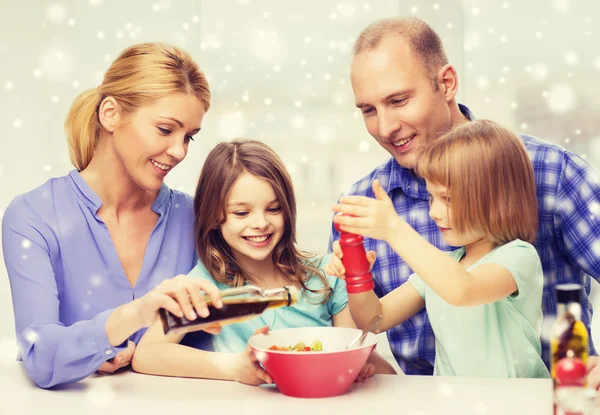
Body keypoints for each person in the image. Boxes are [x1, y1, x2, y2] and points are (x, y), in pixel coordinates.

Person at [329, 16, 600, 379]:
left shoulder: (551, 174)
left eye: (399, 100)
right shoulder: (366, 206)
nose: (385, 127)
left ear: (447, 83)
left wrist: (394, 229)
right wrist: (355, 271)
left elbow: (462, 290)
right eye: (368, 110)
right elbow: (368, 323)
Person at [1, 42, 223, 388]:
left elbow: (227, 330)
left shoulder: (195, 217)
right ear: (111, 114)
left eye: (189, 137)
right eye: (165, 130)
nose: (179, 151)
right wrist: (133, 315)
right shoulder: (32, 217)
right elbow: (40, 356)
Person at [132, 139, 396, 384]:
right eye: (242, 212)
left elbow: (355, 352)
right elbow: (149, 353)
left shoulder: (324, 275)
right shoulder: (205, 287)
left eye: (273, 208)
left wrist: (357, 367)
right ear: (214, 216)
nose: (260, 223)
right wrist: (235, 367)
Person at [327, 120, 549, 378]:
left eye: (448, 199)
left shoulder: (518, 257)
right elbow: (374, 320)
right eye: (432, 198)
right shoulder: (442, 269)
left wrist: (393, 228)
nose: (433, 212)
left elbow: (463, 290)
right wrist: (358, 277)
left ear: (497, 200)